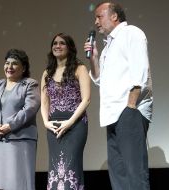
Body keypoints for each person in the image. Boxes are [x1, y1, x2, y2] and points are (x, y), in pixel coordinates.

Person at [84, 2, 153, 190]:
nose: (96, 21)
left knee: (134, 173)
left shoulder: (131, 33)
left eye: (99, 16)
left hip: (128, 111)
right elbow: (100, 80)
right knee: (118, 174)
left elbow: (141, 72)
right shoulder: (107, 47)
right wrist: (94, 58)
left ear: (114, 16)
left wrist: (130, 106)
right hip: (112, 115)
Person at [0, 49, 40, 190]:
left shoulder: (29, 84)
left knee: (18, 183)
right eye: (7, 63)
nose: (9, 67)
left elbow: (30, 109)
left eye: (14, 64)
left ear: (24, 68)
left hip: (20, 141)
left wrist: (10, 125)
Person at [41, 33, 91, 190]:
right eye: (55, 43)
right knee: (55, 168)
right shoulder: (47, 73)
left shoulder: (80, 68)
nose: (57, 46)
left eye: (62, 43)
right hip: (53, 126)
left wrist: (70, 122)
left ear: (70, 48)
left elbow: (86, 99)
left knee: (71, 167)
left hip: (75, 125)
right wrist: (45, 122)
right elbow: (44, 101)